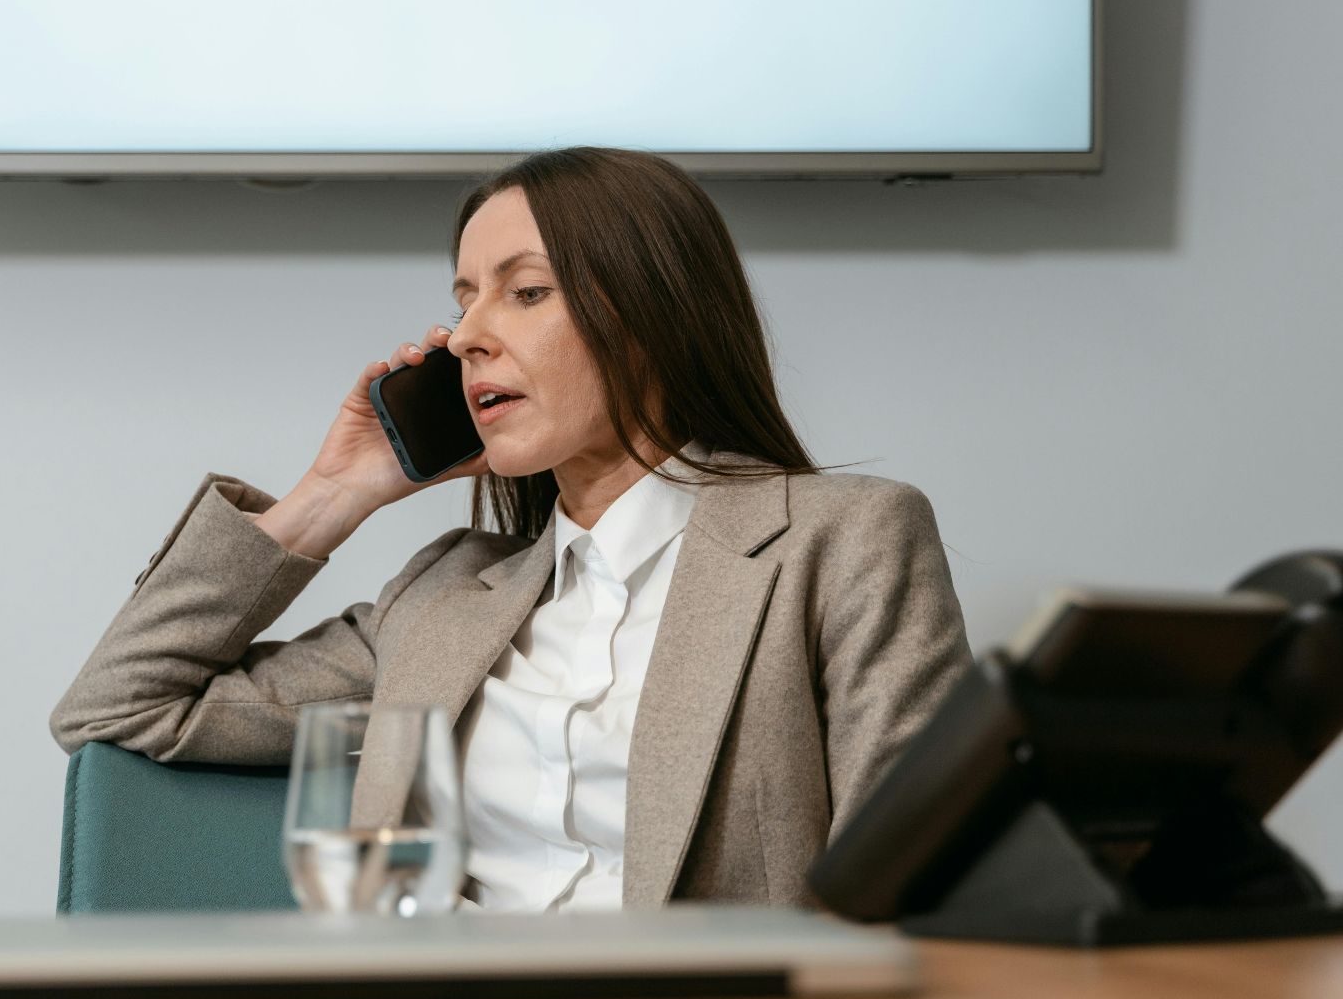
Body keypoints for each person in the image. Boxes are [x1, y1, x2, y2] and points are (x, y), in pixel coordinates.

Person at [50, 146, 972, 910]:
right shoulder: (443, 594)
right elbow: (121, 704)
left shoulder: (841, 541)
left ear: (654, 311)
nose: (465, 337)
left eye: (525, 293)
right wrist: (334, 493)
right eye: (463, 301)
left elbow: (910, 884)